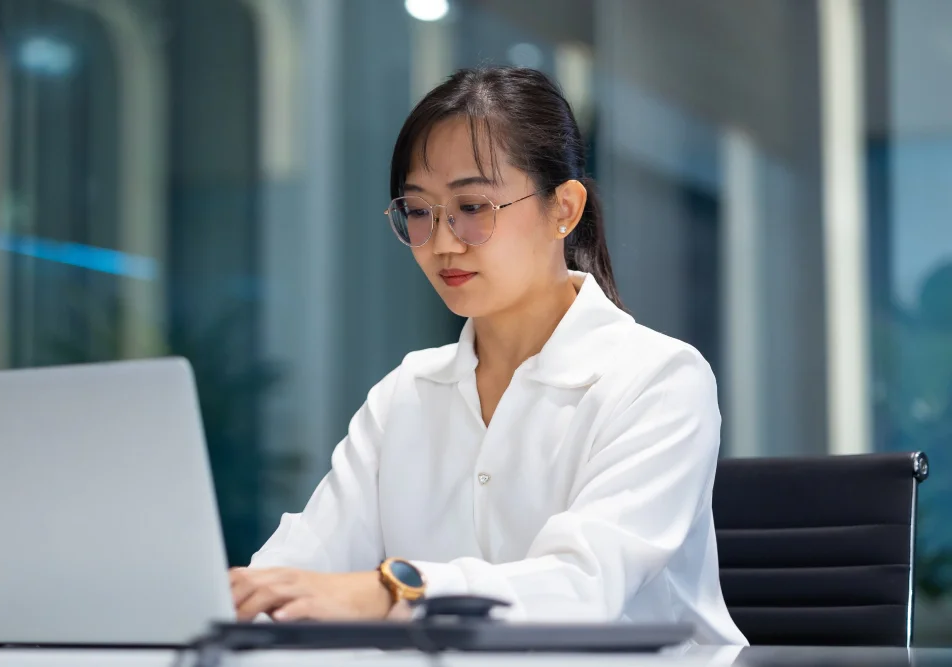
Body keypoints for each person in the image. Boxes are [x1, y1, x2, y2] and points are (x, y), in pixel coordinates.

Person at [228, 66, 747, 646]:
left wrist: (394, 591)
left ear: (564, 210)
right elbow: (301, 568)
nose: (443, 241)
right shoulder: (407, 392)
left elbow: (582, 591)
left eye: (473, 206)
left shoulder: (658, 379)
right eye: (419, 211)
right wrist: (243, 598)